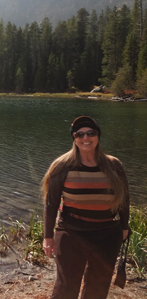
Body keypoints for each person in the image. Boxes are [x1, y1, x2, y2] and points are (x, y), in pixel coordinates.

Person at [41, 116, 130, 299]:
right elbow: (51, 204)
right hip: (72, 232)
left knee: (98, 287)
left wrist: (124, 227)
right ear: (74, 138)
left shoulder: (114, 165)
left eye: (90, 133)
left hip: (107, 233)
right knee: (66, 287)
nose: (85, 138)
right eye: (79, 134)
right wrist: (48, 237)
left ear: (98, 136)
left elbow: (124, 200)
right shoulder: (62, 166)